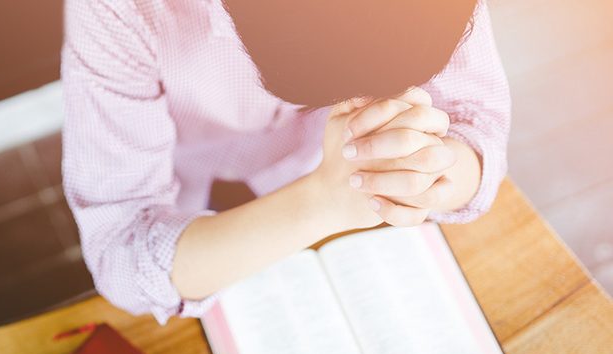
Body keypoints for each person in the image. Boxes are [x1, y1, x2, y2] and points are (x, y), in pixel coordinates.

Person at [60, 0, 509, 323]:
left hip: (334, 189)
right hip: (178, 168)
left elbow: (478, 121)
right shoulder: (118, 8)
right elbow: (118, 249)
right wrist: (322, 203)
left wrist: (435, 167)